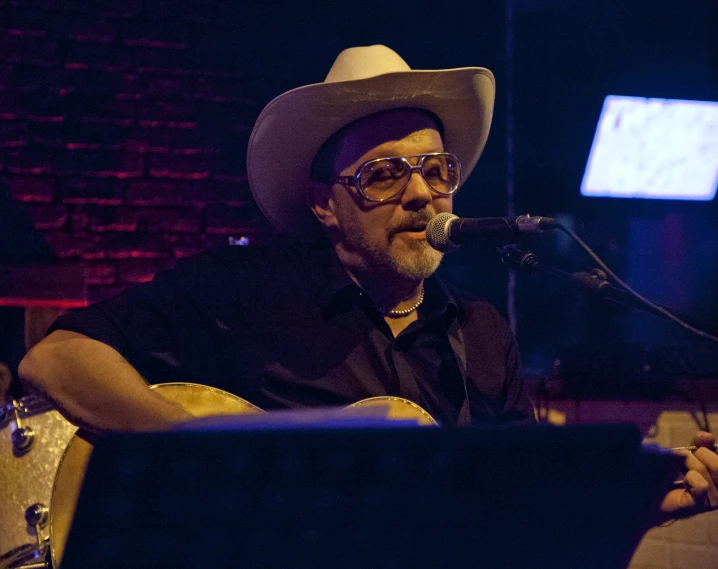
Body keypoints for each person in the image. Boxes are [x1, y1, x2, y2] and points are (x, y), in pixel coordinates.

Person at [18, 45, 718, 521]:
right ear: (326, 204)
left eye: (437, 169)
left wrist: (630, 503)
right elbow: (52, 357)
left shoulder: (480, 335)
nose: (422, 193)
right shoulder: (245, 288)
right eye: (384, 174)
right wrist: (204, 454)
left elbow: (518, 512)